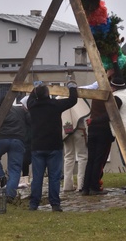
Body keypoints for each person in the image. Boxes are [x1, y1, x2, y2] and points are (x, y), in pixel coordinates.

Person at [27, 81, 78, 212]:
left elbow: (32, 97)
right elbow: (72, 100)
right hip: (54, 146)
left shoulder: (32, 106)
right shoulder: (55, 105)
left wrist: (36, 87)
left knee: (37, 178)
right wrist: (72, 87)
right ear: (48, 94)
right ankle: (55, 204)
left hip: (37, 146)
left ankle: (34, 204)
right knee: (54, 177)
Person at [0, 100, 31, 202]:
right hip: (18, 141)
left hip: (2, 139)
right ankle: (10, 196)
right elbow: (30, 122)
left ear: (0, 104)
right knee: (15, 169)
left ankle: (1, 176)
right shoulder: (21, 110)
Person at [61, 98, 90, 192]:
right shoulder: (78, 98)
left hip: (66, 128)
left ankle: (67, 185)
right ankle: (81, 185)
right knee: (82, 156)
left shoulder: (59, 99)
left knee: (68, 157)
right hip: (79, 129)